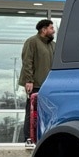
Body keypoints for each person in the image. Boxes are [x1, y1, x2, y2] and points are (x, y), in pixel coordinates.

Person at [19, 18, 56, 147]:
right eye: (51, 28)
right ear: (43, 29)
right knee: (31, 111)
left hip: (49, 86)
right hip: (35, 84)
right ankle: (28, 137)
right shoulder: (32, 42)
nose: (54, 31)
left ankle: (45, 136)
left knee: (48, 112)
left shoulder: (53, 45)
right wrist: (29, 80)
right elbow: (27, 62)